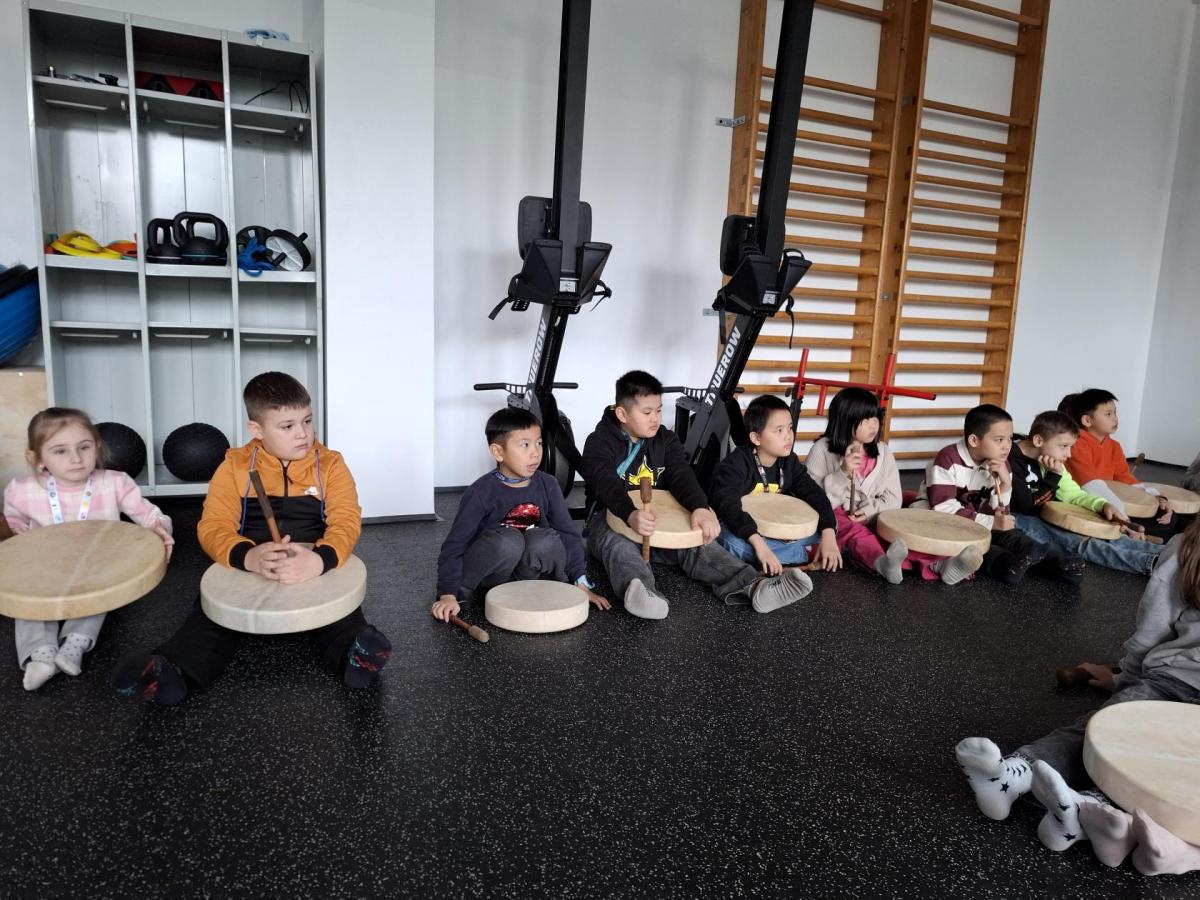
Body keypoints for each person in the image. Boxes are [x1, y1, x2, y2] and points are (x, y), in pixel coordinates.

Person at [113, 372, 391, 705]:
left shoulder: (331, 465)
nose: (302, 433)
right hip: (253, 562)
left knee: (339, 614)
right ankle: (171, 671)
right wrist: (249, 557)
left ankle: (354, 655)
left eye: (307, 420)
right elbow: (213, 525)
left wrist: (319, 561)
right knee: (211, 618)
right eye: (287, 426)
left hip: (311, 560)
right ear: (256, 430)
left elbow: (346, 521)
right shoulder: (235, 466)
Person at [954, 517, 1200, 876]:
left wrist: (1125, 682)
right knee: (1100, 732)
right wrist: (1125, 683)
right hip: (1169, 680)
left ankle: (1088, 809)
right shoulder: (1185, 550)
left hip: (1170, 678)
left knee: (1163, 764)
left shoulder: (1183, 548)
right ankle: (1011, 776)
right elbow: (1152, 630)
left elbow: (1152, 630)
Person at [580, 370, 812, 619]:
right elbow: (605, 482)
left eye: (659, 410)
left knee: (699, 542)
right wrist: (629, 513)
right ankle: (644, 594)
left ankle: (754, 586)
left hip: (658, 520)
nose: (655, 418)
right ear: (622, 414)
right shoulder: (599, 442)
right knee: (619, 546)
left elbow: (682, 476)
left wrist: (700, 507)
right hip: (610, 518)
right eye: (647, 413)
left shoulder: (665, 439)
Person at [3, 407, 172, 691]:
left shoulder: (115, 483)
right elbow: (14, 527)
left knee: (96, 596)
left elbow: (149, 515)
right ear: (37, 458)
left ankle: (74, 645)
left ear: (97, 447)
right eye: (60, 451)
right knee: (28, 604)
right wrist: (21, 545)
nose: (76, 458)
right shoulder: (20, 490)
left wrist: (158, 528)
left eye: (84, 447)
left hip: (96, 566)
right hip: (44, 568)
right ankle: (40, 656)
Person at [431, 407, 609, 623]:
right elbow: (455, 545)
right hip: (495, 575)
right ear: (498, 452)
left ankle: (553, 587)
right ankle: (463, 594)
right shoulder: (480, 492)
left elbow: (568, 535)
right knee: (509, 540)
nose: (535, 453)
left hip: (531, 572)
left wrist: (580, 582)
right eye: (525, 445)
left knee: (544, 539)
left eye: (539, 443)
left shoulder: (548, 484)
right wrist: (448, 594)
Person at [914, 404, 1083, 585]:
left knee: (1011, 535)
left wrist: (1005, 485)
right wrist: (991, 522)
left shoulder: (1001, 464)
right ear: (974, 440)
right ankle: (1007, 566)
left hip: (977, 520)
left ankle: (1053, 562)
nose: (1007, 446)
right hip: (943, 522)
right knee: (977, 547)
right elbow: (943, 510)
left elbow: (999, 511)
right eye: (999, 440)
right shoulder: (947, 459)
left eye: (1009, 439)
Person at [804, 388, 943, 584]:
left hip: (875, 514)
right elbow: (813, 501)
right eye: (866, 419)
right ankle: (881, 562)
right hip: (837, 518)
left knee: (898, 533)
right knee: (854, 530)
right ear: (845, 419)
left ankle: (938, 563)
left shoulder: (883, 452)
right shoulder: (822, 450)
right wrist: (842, 473)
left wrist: (869, 511)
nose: (874, 425)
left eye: (876, 417)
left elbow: (894, 498)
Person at [1007, 410, 1162, 576]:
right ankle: (1150, 563)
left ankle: (1165, 554)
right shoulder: (1010, 459)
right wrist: (1053, 476)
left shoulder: (1051, 460)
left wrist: (1102, 505)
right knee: (1078, 543)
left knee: (1101, 534)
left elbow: (1074, 494)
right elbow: (1026, 507)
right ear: (1038, 440)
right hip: (1018, 518)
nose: (1068, 454)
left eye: (1070, 447)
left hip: (1043, 512)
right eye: (1064, 446)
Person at [711, 395, 841, 576]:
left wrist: (828, 533)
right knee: (729, 540)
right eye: (779, 430)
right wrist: (759, 544)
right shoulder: (736, 464)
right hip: (747, 531)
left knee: (831, 525)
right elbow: (729, 506)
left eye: (790, 428)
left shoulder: (789, 462)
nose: (788, 436)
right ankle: (798, 558)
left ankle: (779, 560)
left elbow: (814, 494)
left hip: (777, 532)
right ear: (756, 437)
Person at [1059, 389, 1180, 539]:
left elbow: (1125, 479)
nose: (1115, 418)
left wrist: (1156, 497)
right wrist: (1124, 519)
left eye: (1115, 412)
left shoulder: (1114, 446)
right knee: (1152, 525)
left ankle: (1142, 534)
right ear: (1087, 421)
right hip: (1092, 503)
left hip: (1114, 502)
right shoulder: (1076, 443)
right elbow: (1091, 486)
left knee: (1169, 517)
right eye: (1108, 414)